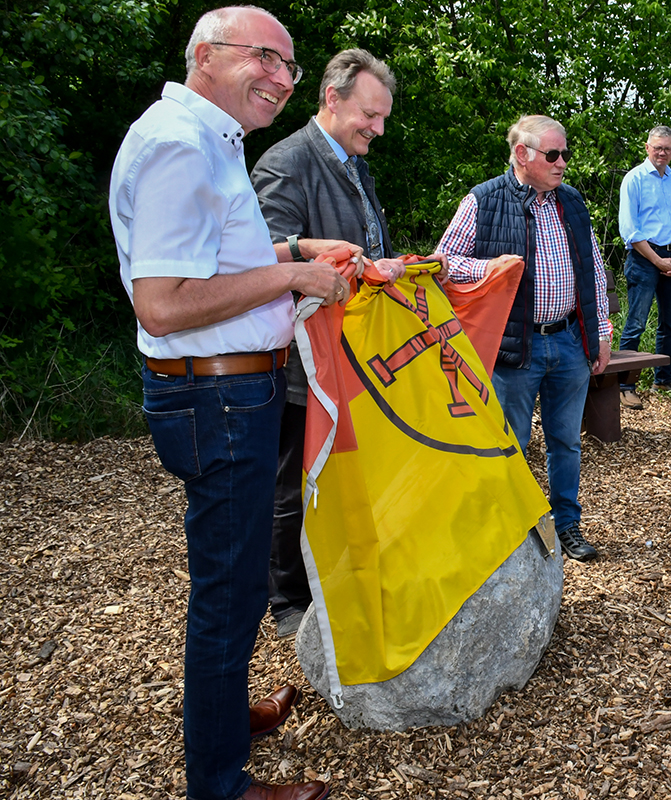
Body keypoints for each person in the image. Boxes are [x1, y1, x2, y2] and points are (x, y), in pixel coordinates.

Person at [109, 6, 353, 799]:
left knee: (238, 579)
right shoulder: (180, 146)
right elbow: (165, 303)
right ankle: (219, 782)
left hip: (227, 391)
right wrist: (291, 278)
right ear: (207, 57)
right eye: (266, 59)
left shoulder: (206, 138)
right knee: (228, 587)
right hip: (216, 397)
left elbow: (216, 262)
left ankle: (219, 713)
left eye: (289, 67)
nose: (283, 80)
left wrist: (293, 249)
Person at [251, 48, 414, 640]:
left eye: (383, 118)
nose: (377, 128)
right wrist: (327, 256)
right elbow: (259, 257)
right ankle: (286, 599)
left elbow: (369, 244)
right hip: (301, 365)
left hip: (353, 359)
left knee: (343, 477)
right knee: (295, 480)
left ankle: (335, 578)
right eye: (369, 115)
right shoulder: (286, 163)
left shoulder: (356, 163)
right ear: (332, 99)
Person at [436, 115, 612, 562]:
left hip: (570, 341)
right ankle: (508, 532)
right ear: (522, 155)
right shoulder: (484, 200)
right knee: (509, 442)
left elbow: (591, 268)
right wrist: (492, 268)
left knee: (566, 441)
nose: (562, 164)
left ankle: (566, 525)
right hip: (514, 347)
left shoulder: (571, 201)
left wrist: (602, 332)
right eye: (553, 155)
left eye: (565, 154)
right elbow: (444, 263)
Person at [617, 125, 671, 408]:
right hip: (644, 258)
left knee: (669, 324)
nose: (662, 153)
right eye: (657, 147)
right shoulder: (634, 179)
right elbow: (630, 230)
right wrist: (657, 260)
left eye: (668, 149)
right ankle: (624, 384)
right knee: (636, 324)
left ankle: (663, 378)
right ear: (647, 148)